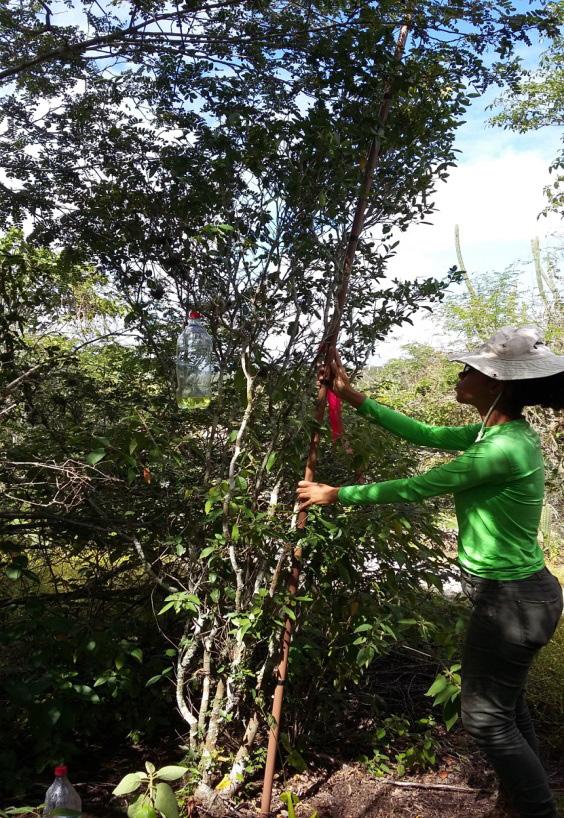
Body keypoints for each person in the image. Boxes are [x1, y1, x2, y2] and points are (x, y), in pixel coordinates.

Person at [297, 327, 564, 818]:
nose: (461, 375)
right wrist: (350, 395)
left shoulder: (501, 448)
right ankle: (520, 801)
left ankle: (537, 810)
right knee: (507, 706)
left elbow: (419, 486)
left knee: (484, 718)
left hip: (515, 600)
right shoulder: (498, 432)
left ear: (496, 383)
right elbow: (426, 434)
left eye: (470, 370)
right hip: (520, 596)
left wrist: (337, 495)